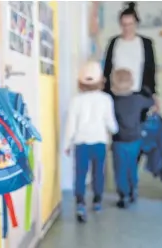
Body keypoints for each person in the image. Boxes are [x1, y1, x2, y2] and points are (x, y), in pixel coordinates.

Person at [64, 61, 119, 223]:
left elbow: (71, 125)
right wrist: (116, 131)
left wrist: (67, 144)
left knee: (80, 174)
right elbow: (111, 122)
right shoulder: (106, 99)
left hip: (81, 143)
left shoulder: (76, 101)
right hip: (100, 142)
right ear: (101, 81)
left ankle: (80, 203)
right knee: (98, 173)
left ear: (80, 82)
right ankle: (97, 201)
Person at [103, 2, 160, 119]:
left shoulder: (146, 43)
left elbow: (151, 70)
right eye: (124, 24)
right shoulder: (114, 42)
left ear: (136, 24)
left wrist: (154, 95)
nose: (127, 28)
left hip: (140, 94)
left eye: (130, 24)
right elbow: (107, 69)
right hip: (116, 96)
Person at [110, 69, 156, 208]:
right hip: (135, 140)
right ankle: (133, 190)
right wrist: (146, 91)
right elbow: (151, 102)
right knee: (132, 166)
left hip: (118, 141)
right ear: (131, 83)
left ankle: (123, 195)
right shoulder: (138, 99)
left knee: (120, 169)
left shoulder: (112, 101)